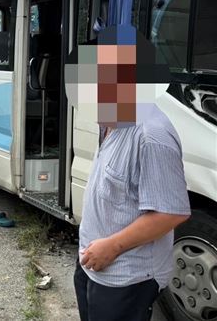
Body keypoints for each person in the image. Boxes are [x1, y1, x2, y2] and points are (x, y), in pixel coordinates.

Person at [65, 25, 190, 321]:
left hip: (126, 275)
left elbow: (171, 213)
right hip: (92, 265)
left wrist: (111, 246)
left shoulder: (151, 136)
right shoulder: (111, 118)